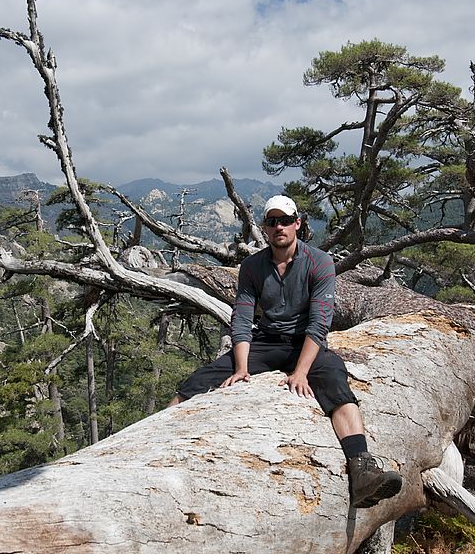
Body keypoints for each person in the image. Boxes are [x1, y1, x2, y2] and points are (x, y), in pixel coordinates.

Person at [167, 195, 402, 508]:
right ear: (265, 228)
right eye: (272, 221)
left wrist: (301, 372)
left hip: (306, 343)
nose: (279, 227)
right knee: (196, 383)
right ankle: (151, 440)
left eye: (285, 220)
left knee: (335, 383)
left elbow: (319, 324)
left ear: (298, 224)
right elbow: (242, 319)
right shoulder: (252, 266)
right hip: (266, 340)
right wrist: (240, 368)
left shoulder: (319, 261)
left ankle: (362, 470)